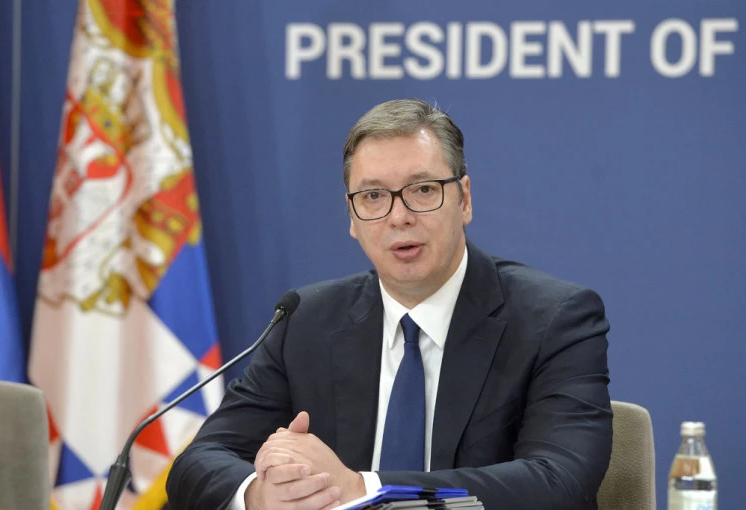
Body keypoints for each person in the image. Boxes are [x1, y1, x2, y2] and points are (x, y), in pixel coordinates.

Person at [166, 98, 612, 510]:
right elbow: (199, 461)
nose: (399, 217)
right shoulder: (305, 322)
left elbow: (560, 481)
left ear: (464, 199)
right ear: (352, 218)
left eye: (423, 189)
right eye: (373, 196)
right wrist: (260, 495)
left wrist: (365, 487)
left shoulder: (554, 319)